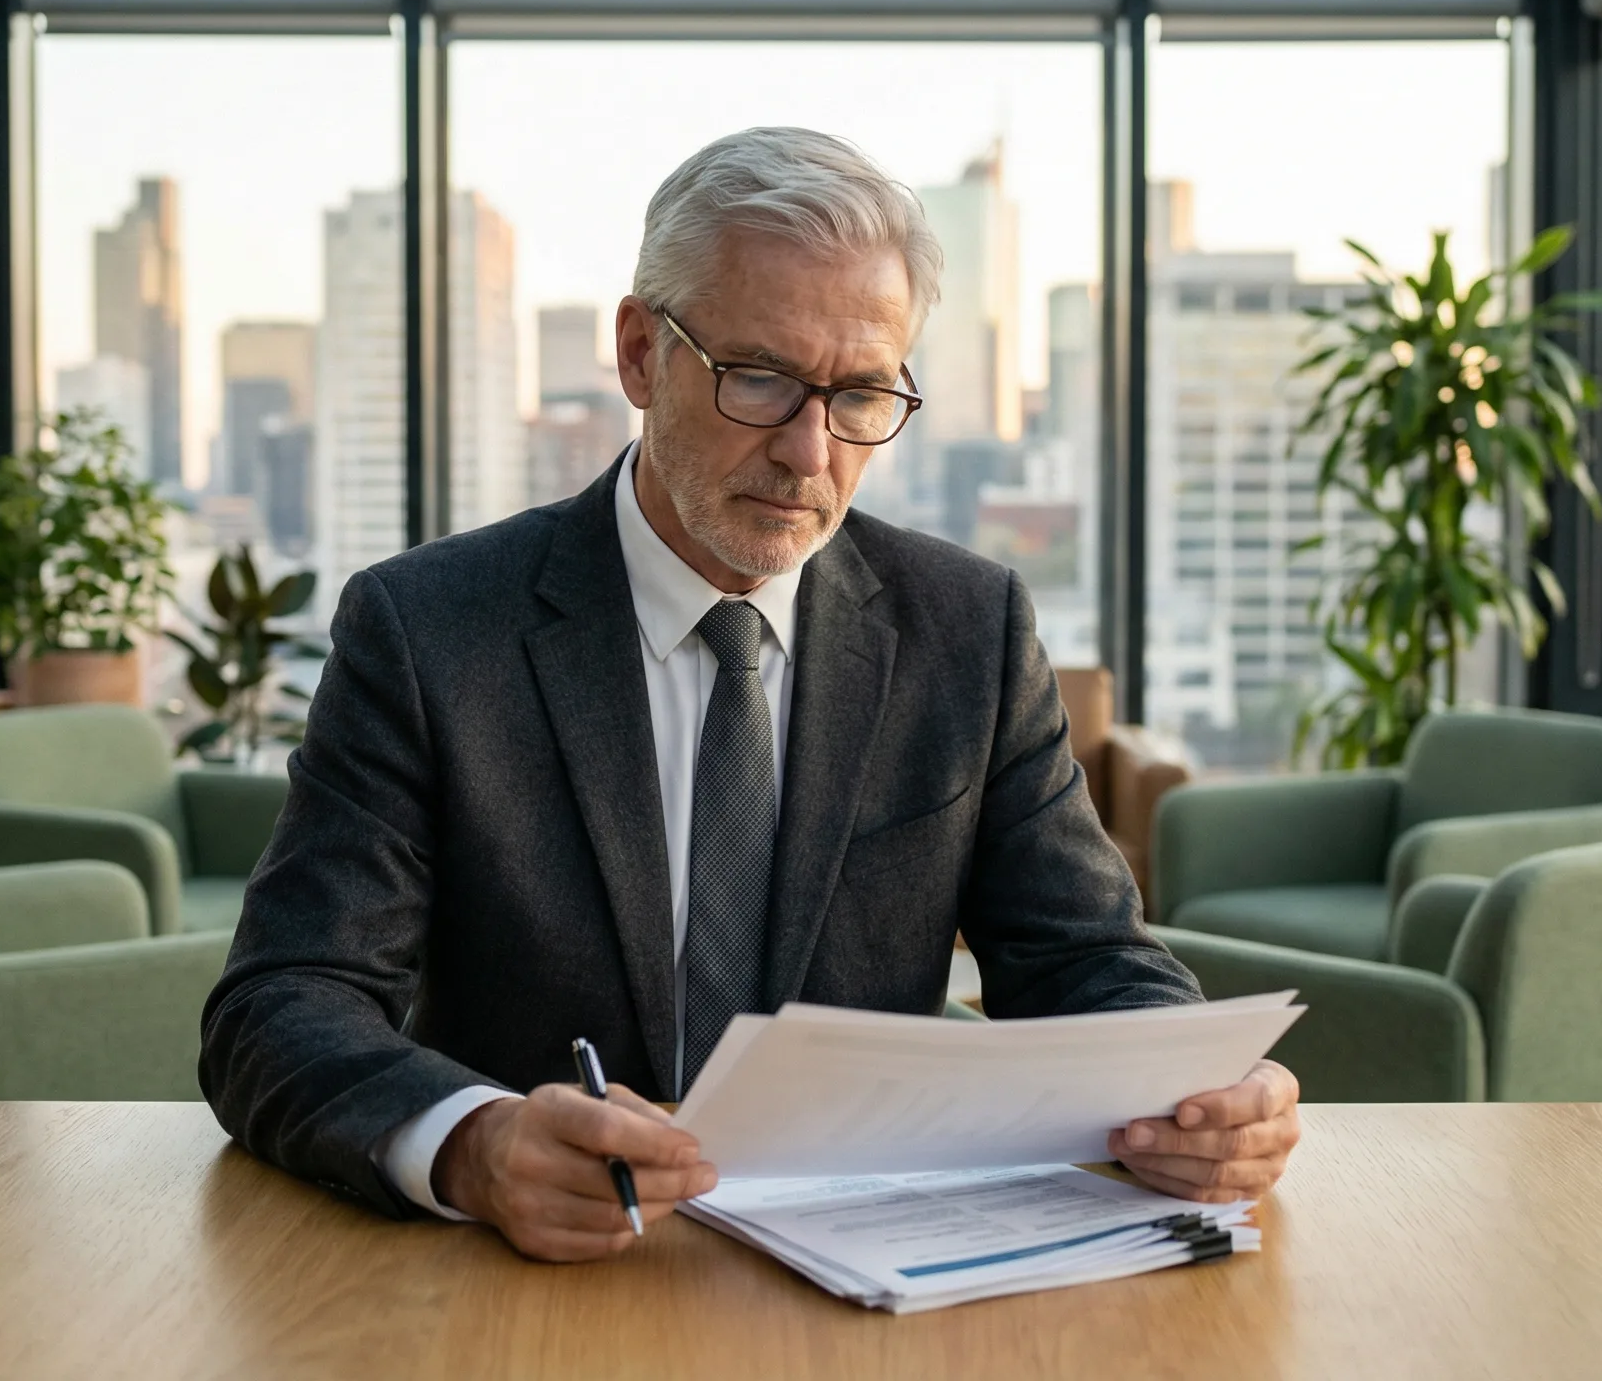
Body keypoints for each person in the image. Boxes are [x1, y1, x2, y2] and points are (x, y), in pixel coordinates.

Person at [200, 126, 1301, 1263]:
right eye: (761, 381)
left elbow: (1083, 958)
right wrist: (473, 1144)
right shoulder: (429, 630)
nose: (809, 454)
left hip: (875, 1266)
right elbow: (284, 1003)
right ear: (639, 354)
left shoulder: (966, 630)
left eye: (862, 393)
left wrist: (1196, 1089)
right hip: (535, 1280)